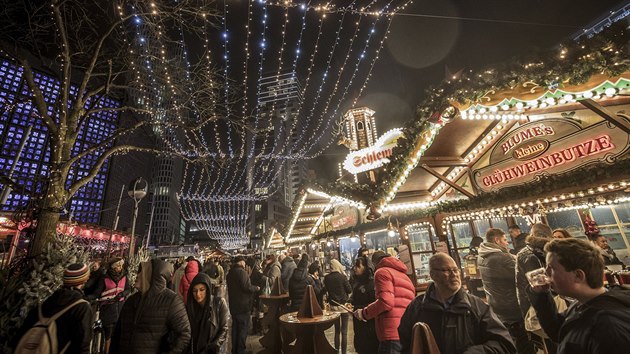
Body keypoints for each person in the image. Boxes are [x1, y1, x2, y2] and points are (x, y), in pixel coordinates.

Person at [398, 253, 516, 354]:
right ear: (433, 275)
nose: (454, 274)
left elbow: (504, 343)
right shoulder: (417, 307)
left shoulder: (476, 306)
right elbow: (405, 344)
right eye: (447, 270)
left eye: (455, 270)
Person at [529, 238, 630, 353]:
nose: (545, 273)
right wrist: (542, 296)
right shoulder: (583, 303)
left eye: (551, 268)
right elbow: (558, 331)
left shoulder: (610, 328)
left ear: (578, 275)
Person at [110, 259, 191, 353]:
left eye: (141, 272)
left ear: (150, 276)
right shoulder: (131, 301)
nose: (137, 275)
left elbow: (184, 333)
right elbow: (117, 334)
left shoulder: (170, 300)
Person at [478, 228, 536, 354]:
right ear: (496, 240)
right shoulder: (501, 257)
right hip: (513, 306)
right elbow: (524, 276)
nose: (507, 243)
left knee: (512, 340)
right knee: (525, 342)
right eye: (504, 240)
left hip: (497, 305)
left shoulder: (481, 256)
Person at [15, 263, 93, 353]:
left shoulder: (46, 302)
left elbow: (23, 332)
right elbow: (83, 343)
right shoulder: (81, 307)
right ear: (84, 280)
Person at [353, 251, 415, 354]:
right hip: (406, 331)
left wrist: (364, 313)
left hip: (390, 332)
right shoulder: (405, 277)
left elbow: (385, 302)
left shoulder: (382, 272)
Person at [95, 257, 131, 354]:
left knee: (118, 333)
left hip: (120, 308)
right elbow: (98, 292)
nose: (120, 267)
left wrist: (122, 294)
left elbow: (128, 289)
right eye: (118, 266)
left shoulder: (124, 276)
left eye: (121, 265)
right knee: (108, 334)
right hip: (108, 309)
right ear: (113, 267)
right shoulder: (105, 278)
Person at [186, 273, 230, 354]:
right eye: (195, 291)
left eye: (202, 290)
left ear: (208, 289)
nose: (198, 294)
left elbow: (224, 329)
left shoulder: (219, 303)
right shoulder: (190, 308)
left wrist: (212, 348)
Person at [226, 256, 260, 354]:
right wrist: (256, 288)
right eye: (244, 262)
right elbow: (247, 287)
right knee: (242, 330)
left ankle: (235, 350)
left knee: (235, 329)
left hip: (234, 306)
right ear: (241, 262)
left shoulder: (230, 273)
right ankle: (241, 350)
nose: (245, 264)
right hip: (243, 306)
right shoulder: (241, 272)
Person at [351, 256, 379, 354]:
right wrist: (350, 302)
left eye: (358, 266)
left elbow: (375, 304)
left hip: (369, 326)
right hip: (358, 324)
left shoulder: (371, 283)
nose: (355, 268)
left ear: (365, 267)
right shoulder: (357, 282)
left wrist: (358, 308)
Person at [324, 259, 352, 354]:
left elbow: (325, 290)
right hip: (343, 307)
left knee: (337, 331)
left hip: (333, 307)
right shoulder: (342, 277)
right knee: (344, 332)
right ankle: (344, 352)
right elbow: (349, 290)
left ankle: (336, 351)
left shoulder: (327, 278)